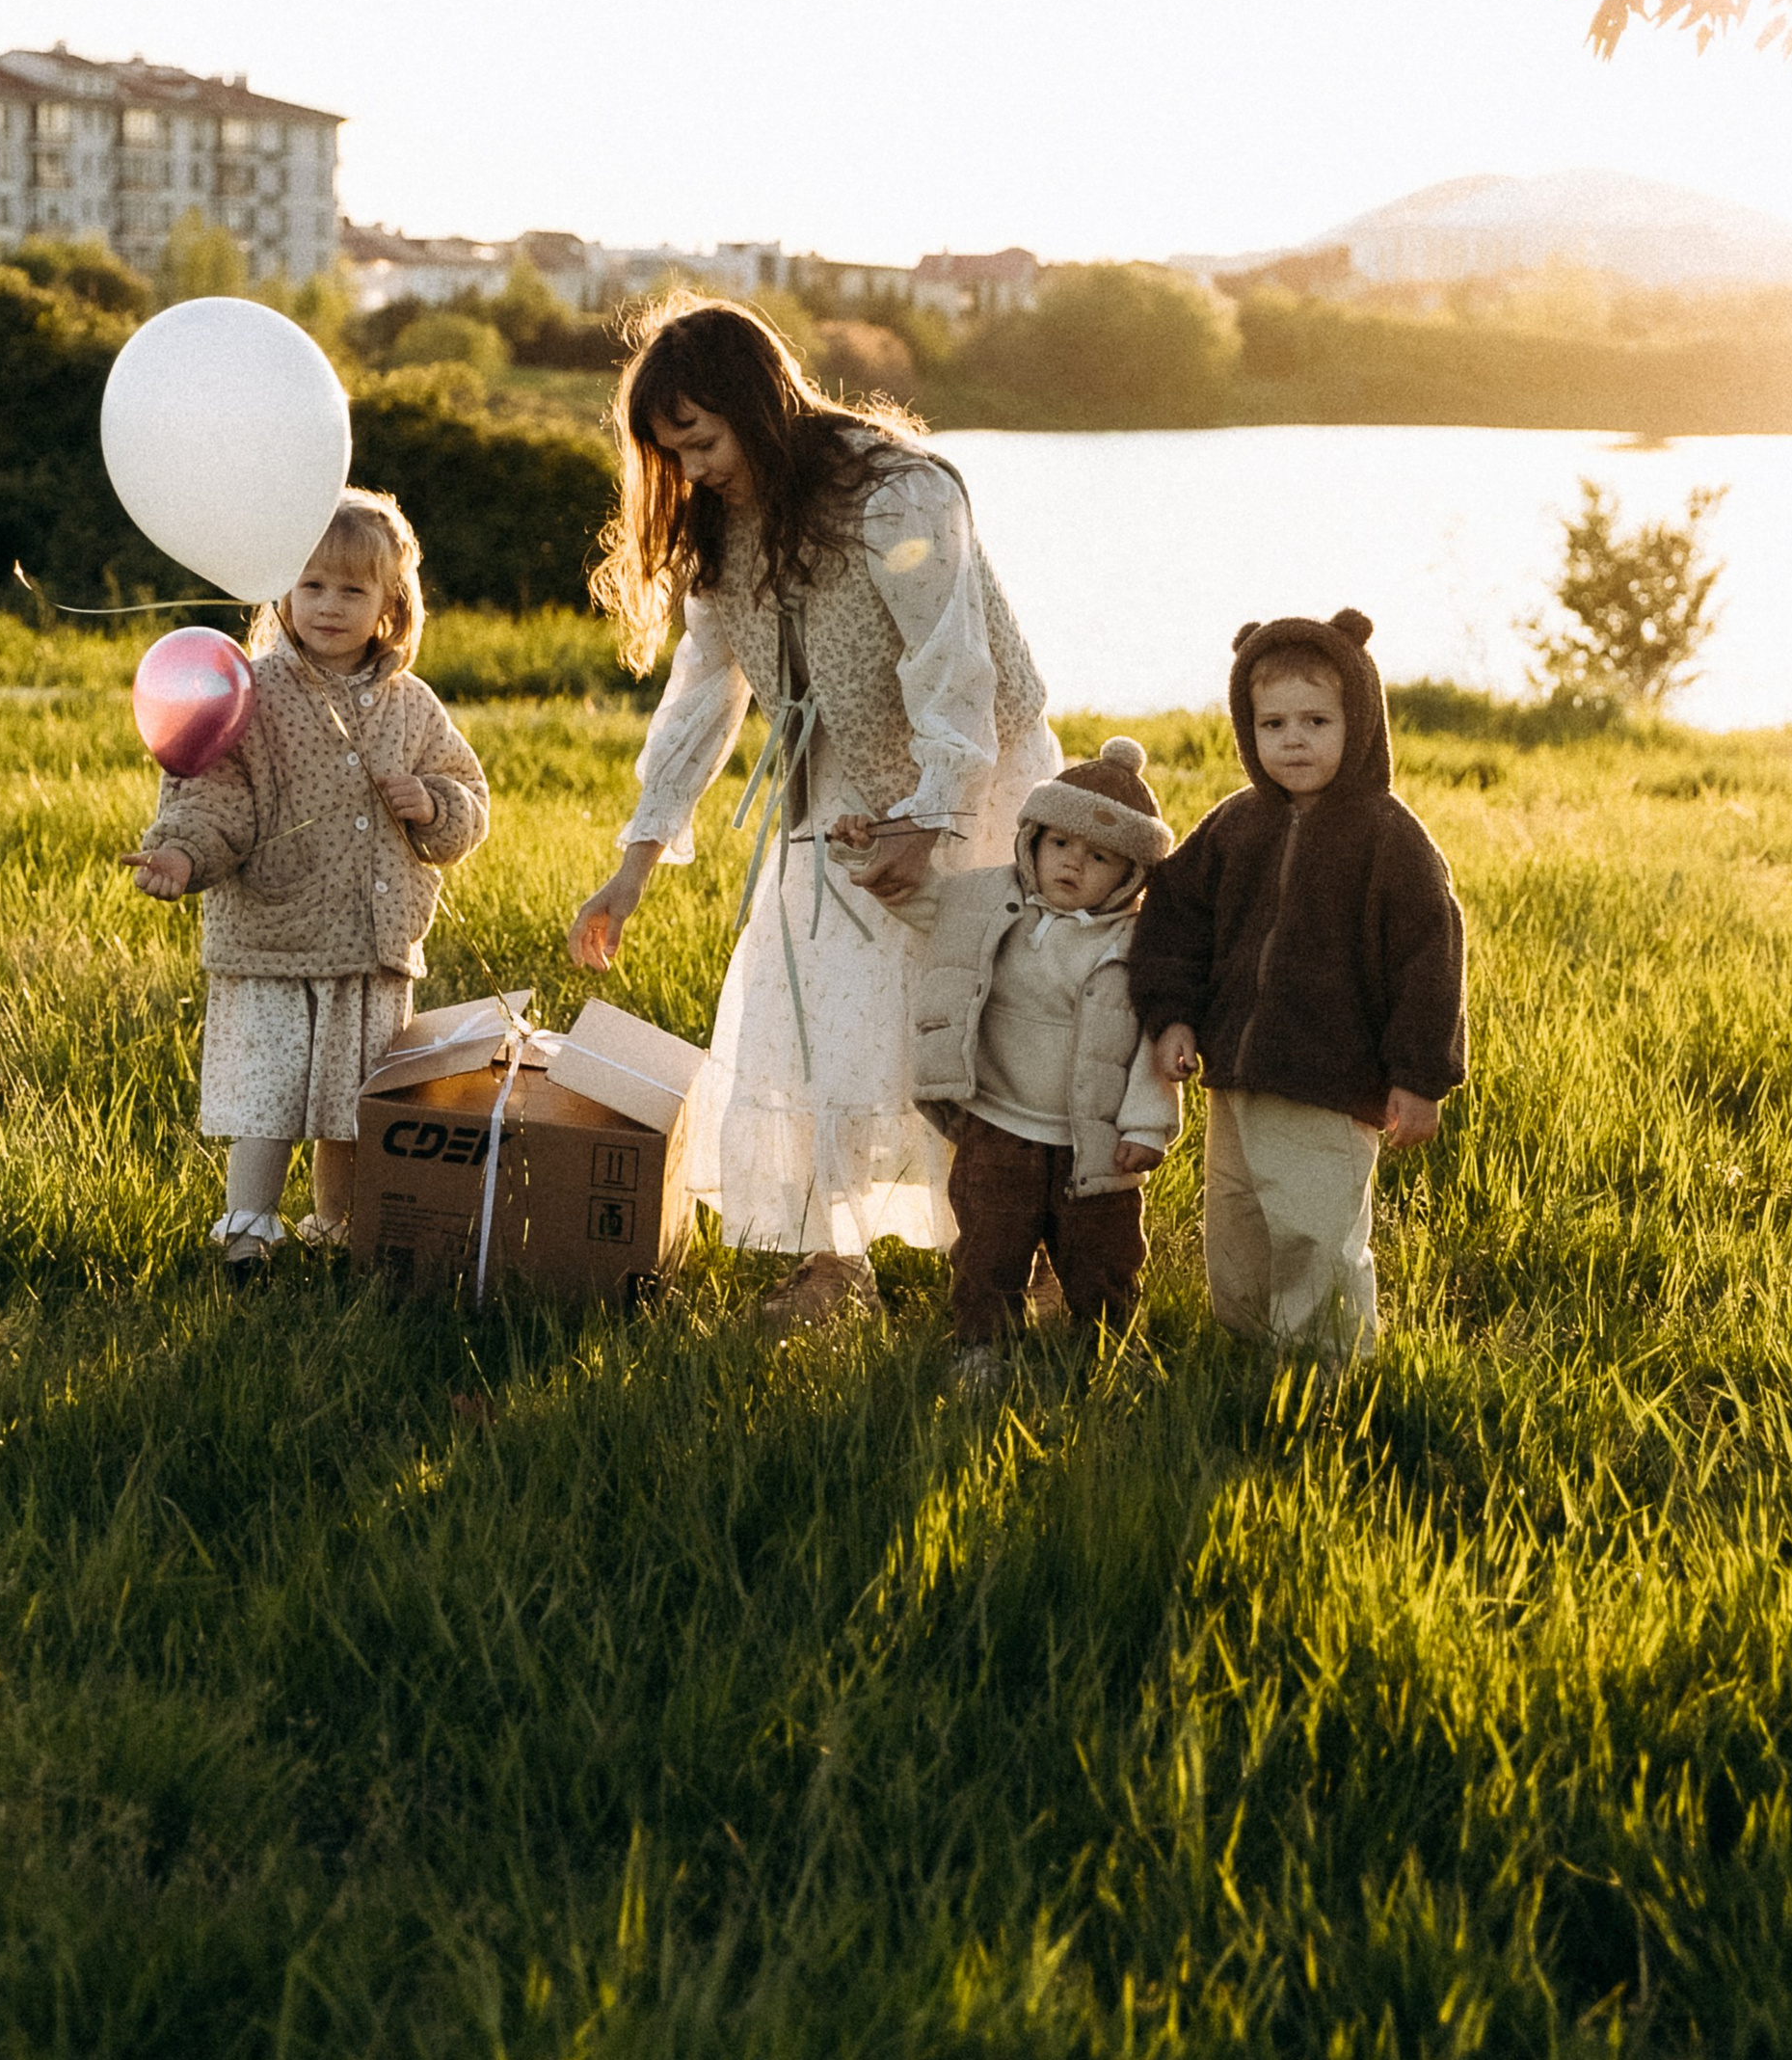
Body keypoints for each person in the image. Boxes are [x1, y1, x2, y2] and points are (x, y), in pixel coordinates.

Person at [569, 299, 1056, 1288]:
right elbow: (701, 697)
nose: (694, 467)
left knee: (979, 1027)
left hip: (969, 778)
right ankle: (829, 1263)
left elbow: (950, 666)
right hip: (835, 794)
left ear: (758, 402)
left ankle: (1026, 1262)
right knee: (812, 1015)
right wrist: (634, 865)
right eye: (672, 451)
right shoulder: (720, 528)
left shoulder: (896, 493)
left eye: (702, 438)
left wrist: (933, 819)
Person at [128, 488, 490, 1266]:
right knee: (269, 1096)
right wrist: (180, 857)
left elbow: (471, 798)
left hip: (370, 946)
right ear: (282, 589)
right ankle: (248, 1231)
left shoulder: (412, 706)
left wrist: (432, 804)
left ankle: (339, 1229)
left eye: (353, 590)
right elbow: (216, 797)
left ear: (391, 604)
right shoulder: (253, 695)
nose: (329, 605)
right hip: (275, 934)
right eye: (312, 584)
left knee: (352, 1104)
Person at [1129, 607, 1466, 1363]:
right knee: (1239, 1229)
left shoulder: (1388, 837)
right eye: (1273, 723)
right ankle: (1249, 1359)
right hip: (1238, 1080)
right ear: (1248, 732)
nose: (1294, 740)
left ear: (1362, 721)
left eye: (1316, 720)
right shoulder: (1233, 826)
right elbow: (1174, 922)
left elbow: (1430, 960)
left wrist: (1418, 1076)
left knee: (1315, 1233)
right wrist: (1173, 1016)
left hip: (1331, 1079)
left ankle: (1320, 1377)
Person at [866, 737, 1180, 1385]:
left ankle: (1110, 1349)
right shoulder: (985, 902)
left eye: (1099, 856)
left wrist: (1148, 1127)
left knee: (1103, 1254)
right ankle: (981, 1346)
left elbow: (1153, 1041)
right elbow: (914, 895)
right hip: (997, 1121)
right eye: (1060, 844)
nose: (1072, 864)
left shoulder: (1137, 947)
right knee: (989, 1246)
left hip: (1089, 1140)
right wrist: (864, 850)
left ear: (1130, 876)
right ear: (1032, 838)